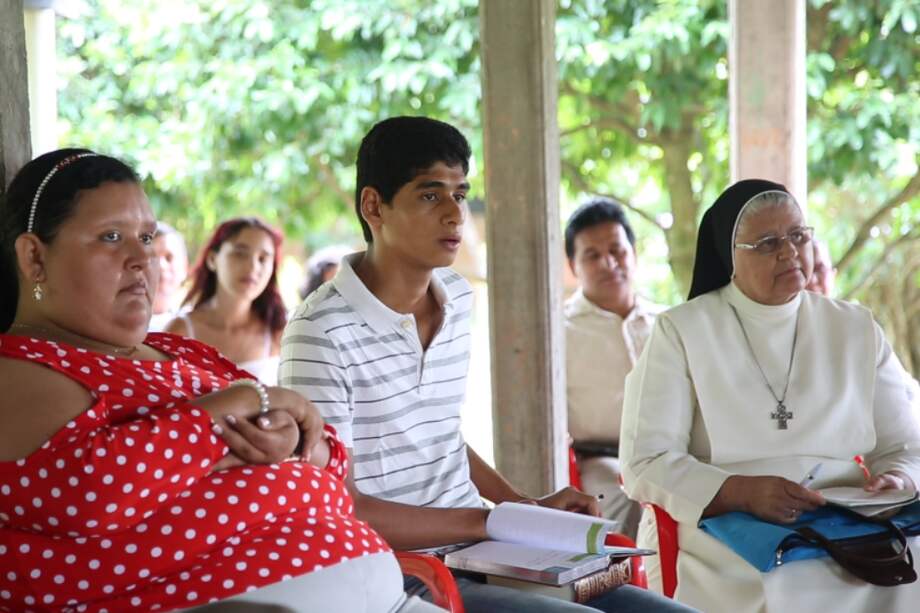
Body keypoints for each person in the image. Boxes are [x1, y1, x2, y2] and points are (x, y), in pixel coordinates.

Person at [281, 116, 696, 613]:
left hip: (484, 549)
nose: (455, 215)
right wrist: (493, 521)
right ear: (375, 206)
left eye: (460, 193)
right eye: (430, 195)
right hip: (395, 569)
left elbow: (441, 436)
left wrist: (525, 507)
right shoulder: (319, 330)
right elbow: (338, 504)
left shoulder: (456, 297)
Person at [0, 148, 442, 613]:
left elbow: (331, 458)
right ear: (34, 257)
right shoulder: (25, 365)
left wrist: (290, 437)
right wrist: (238, 406)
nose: (141, 259)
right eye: (111, 237)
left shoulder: (182, 353)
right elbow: (93, 491)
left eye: (146, 237)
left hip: (378, 589)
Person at [619, 178, 920, 612]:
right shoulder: (682, 331)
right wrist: (741, 491)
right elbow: (644, 460)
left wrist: (899, 477)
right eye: (767, 242)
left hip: (849, 518)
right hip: (731, 525)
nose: (790, 251)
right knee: (798, 581)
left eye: (799, 235)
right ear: (729, 256)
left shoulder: (854, 327)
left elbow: (905, 443)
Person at [564, 198, 664, 537]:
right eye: (592, 255)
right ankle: (622, 588)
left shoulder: (666, 323)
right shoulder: (558, 332)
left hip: (672, 452)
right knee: (626, 500)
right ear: (573, 266)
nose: (609, 263)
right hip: (600, 461)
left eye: (617, 250)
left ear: (633, 254)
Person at [166, 217, 284, 385]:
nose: (253, 267)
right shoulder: (180, 331)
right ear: (212, 259)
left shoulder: (278, 334)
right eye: (240, 254)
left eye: (263, 259)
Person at [149, 221, 189, 332]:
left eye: (169, 257)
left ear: (185, 267)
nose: (161, 266)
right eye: (153, 258)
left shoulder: (194, 322)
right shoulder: (119, 322)